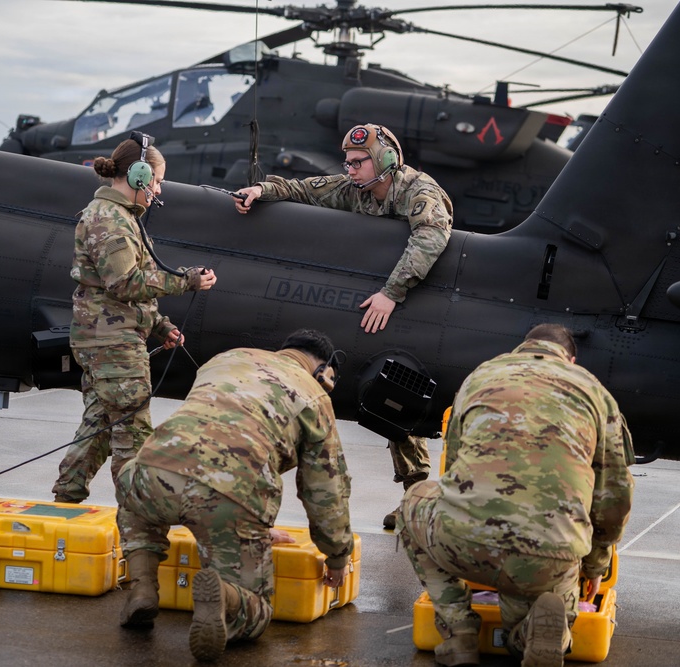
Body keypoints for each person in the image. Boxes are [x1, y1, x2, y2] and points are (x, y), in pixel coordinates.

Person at [234, 123, 453, 529]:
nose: (349, 170)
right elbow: (304, 190)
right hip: (381, 300)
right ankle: (417, 496)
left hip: (421, 298)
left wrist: (392, 292)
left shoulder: (418, 192)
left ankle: (422, 499)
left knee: (401, 394)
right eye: (347, 162)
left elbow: (432, 236)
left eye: (358, 162)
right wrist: (262, 190)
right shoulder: (354, 188)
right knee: (390, 399)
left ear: (385, 160)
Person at [397, 323, 634, 667]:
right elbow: (615, 496)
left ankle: (459, 633)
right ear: (570, 359)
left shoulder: (480, 376)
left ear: (522, 348)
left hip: (466, 542)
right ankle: (532, 636)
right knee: (534, 608)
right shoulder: (594, 392)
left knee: (412, 502)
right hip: (550, 553)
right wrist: (596, 563)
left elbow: (453, 467)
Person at [114, 329, 354, 662]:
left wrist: (257, 526)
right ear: (324, 371)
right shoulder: (315, 396)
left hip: (152, 471)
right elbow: (326, 492)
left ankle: (142, 587)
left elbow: (210, 434)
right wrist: (338, 556)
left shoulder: (226, 358)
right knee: (256, 614)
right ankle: (227, 597)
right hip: (230, 497)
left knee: (135, 505)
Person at [52, 135, 217, 503]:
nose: (158, 189)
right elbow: (124, 283)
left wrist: (159, 326)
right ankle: (138, 515)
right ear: (139, 175)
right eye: (157, 181)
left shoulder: (120, 217)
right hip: (113, 345)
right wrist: (187, 280)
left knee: (99, 425)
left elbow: (118, 288)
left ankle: (67, 496)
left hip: (107, 339)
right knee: (133, 434)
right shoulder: (110, 220)